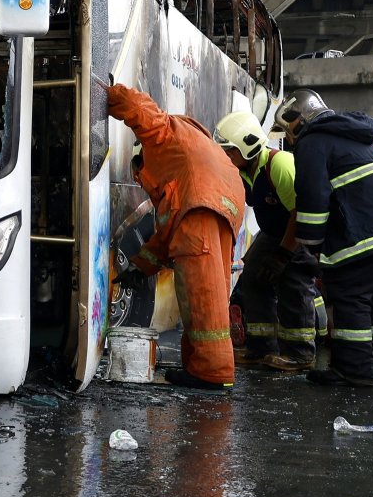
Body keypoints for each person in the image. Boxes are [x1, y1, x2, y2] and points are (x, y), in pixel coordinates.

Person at [279, 88, 373, 387]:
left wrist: (310, 248)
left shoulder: (313, 142)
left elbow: (312, 199)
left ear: (298, 120)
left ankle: (355, 372)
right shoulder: (358, 137)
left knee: (352, 297)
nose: (290, 139)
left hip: (368, 233)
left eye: (288, 131)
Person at [109, 82, 244, 389]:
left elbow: (139, 109)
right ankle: (199, 368)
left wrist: (105, 93)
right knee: (204, 294)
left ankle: (212, 373)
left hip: (202, 210)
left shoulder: (163, 137)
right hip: (217, 207)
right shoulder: (184, 164)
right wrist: (138, 268)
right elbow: (164, 237)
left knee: (201, 296)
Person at [213, 110, 319, 371]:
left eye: (230, 150)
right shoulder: (246, 171)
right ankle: (261, 349)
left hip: (299, 233)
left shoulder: (279, 164)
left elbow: (299, 212)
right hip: (273, 233)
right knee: (253, 278)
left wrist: (283, 255)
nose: (226, 156)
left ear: (247, 148)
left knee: (293, 285)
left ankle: (300, 354)